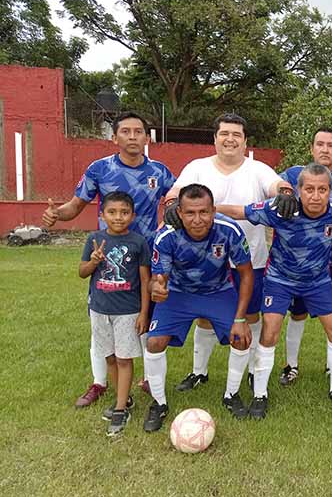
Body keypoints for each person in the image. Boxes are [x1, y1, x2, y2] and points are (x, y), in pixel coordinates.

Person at [42, 111, 175, 408]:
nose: (132, 136)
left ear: (147, 137)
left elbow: (178, 201)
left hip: (145, 257)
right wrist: (56, 214)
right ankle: (99, 382)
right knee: (101, 319)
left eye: (138, 131)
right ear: (114, 137)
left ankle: (148, 379)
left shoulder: (160, 172)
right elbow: (75, 206)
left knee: (146, 318)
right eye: (125, 131)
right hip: (107, 257)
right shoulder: (99, 169)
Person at [163, 113, 295, 394]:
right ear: (215, 138)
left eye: (236, 134)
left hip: (250, 258)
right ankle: (199, 371)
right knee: (204, 318)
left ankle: (253, 372)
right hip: (206, 262)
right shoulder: (197, 167)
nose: (230, 139)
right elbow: (175, 191)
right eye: (224, 133)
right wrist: (171, 203)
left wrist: (285, 192)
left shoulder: (257, 169)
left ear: (245, 141)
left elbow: (277, 185)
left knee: (251, 315)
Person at [224, 163, 332, 419]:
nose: (315, 196)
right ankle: (260, 394)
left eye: (322, 190)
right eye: (309, 189)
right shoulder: (282, 209)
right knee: (270, 331)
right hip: (280, 280)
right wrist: (204, 210)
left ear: (330, 191)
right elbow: (239, 211)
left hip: (318, 281)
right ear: (298, 190)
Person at [144, 184, 253, 431]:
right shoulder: (167, 236)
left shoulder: (229, 230)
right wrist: (156, 288)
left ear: (213, 211)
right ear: (179, 213)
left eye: (203, 212)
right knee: (154, 342)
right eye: (190, 213)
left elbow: (246, 274)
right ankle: (159, 403)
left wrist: (240, 319)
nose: (197, 219)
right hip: (179, 293)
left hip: (218, 292)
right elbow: (157, 279)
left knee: (241, 339)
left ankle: (231, 395)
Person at [277, 128, 332, 386]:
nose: (325, 149)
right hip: (297, 263)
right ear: (311, 148)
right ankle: (291, 366)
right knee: (297, 313)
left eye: (330, 145)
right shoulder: (292, 175)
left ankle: (331, 367)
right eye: (320, 144)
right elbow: (272, 197)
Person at [79, 192, 151, 436]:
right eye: (112, 212)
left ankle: (120, 409)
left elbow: (145, 280)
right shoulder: (94, 239)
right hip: (100, 310)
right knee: (109, 357)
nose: (118, 217)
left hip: (127, 312)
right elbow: (82, 272)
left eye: (124, 212)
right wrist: (93, 261)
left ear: (133, 215)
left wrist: (144, 313)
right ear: (102, 215)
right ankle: (125, 398)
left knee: (124, 359)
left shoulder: (138, 242)